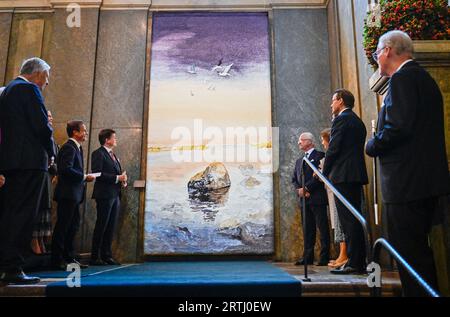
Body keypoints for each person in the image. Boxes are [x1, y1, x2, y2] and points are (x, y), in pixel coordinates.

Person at [366, 30, 449, 296]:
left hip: (405, 185)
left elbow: (396, 128)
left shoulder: (402, 80)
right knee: (421, 255)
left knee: (409, 256)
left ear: (388, 50)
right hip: (426, 183)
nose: (377, 57)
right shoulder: (424, 79)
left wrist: (371, 144)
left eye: (377, 52)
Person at [0, 57, 54, 284]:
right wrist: (52, 153)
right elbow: (42, 126)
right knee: (24, 216)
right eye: (47, 77)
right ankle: (13, 268)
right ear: (37, 74)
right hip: (30, 163)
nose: (47, 83)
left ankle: (6, 266)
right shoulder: (29, 89)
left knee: (11, 214)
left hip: (12, 163)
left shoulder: (7, 91)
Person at [322, 89, 369, 275]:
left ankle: (355, 263)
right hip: (354, 175)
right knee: (353, 219)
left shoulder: (341, 119)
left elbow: (334, 148)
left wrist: (325, 172)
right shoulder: (357, 121)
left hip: (343, 176)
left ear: (340, 101)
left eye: (333, 100)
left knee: (349, 222)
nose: (331, 104)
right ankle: (356, 261)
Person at [51, 120, 95, 270]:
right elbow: (65, 169)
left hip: (74, 195)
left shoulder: (77, 148)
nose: (86, 133)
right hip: (67, 194)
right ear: (75, 132)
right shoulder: (69, 147)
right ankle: (57, 260)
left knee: (73, 226)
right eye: (84, 130)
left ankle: (69, 258)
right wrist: (84, 176)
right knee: (63, 227)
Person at [90, 129, 127, 266]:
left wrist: (122, 180)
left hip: (115, 194)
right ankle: (95, 256)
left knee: (111, 226)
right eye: (114, 137)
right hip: (104, 195)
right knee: (102, 225)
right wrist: (117, 177)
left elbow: (116, 174)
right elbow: (97, 173)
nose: (116, 140)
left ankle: (107, 255)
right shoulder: (98, 154)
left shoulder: (113, 155)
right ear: (106, 140)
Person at [292, 132, 330, 266]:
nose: (299, 143)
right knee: (307, 229)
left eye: (301, 140)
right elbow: (294, 179)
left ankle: (324, 257)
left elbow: (320, 175)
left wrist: (307, 188)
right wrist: (299, 190)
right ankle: (307, 257)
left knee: (322, 228)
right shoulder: (298, 161)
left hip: (317, 198)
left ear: (310, 141)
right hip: (304, 201)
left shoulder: (320, 156)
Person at [318, 128, 348, 268]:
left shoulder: (335, 156)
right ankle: (342, 254)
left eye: (324, 141)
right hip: (332, 193)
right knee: (337, 224)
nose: (323, 145)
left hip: (339, 190)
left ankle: (345, 254)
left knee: (342, 223)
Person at [31, 110, 58, 255]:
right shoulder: (36, 133)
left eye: (51, 116)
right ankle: (34, 241)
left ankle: (41, 240)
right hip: (37, 176)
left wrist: (53, 168)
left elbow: (54, 157)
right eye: (48, 116)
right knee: (36, 208)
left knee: (44, 209)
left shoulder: (51, 137)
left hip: (47, 177)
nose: (51, 118)